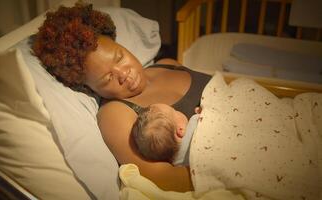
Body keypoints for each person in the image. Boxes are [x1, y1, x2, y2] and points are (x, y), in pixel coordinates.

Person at [32, 2, 211, 192]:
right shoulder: (115, 115)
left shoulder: (167, 63)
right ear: (89, 87)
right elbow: (165, 179)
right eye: (107, 78)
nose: (123, 73)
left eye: (119, 57)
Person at [131, 103, 201, 166]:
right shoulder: (195, 121)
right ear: (180, 130)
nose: (178, 111)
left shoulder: (177, 165)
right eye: (175, 111)